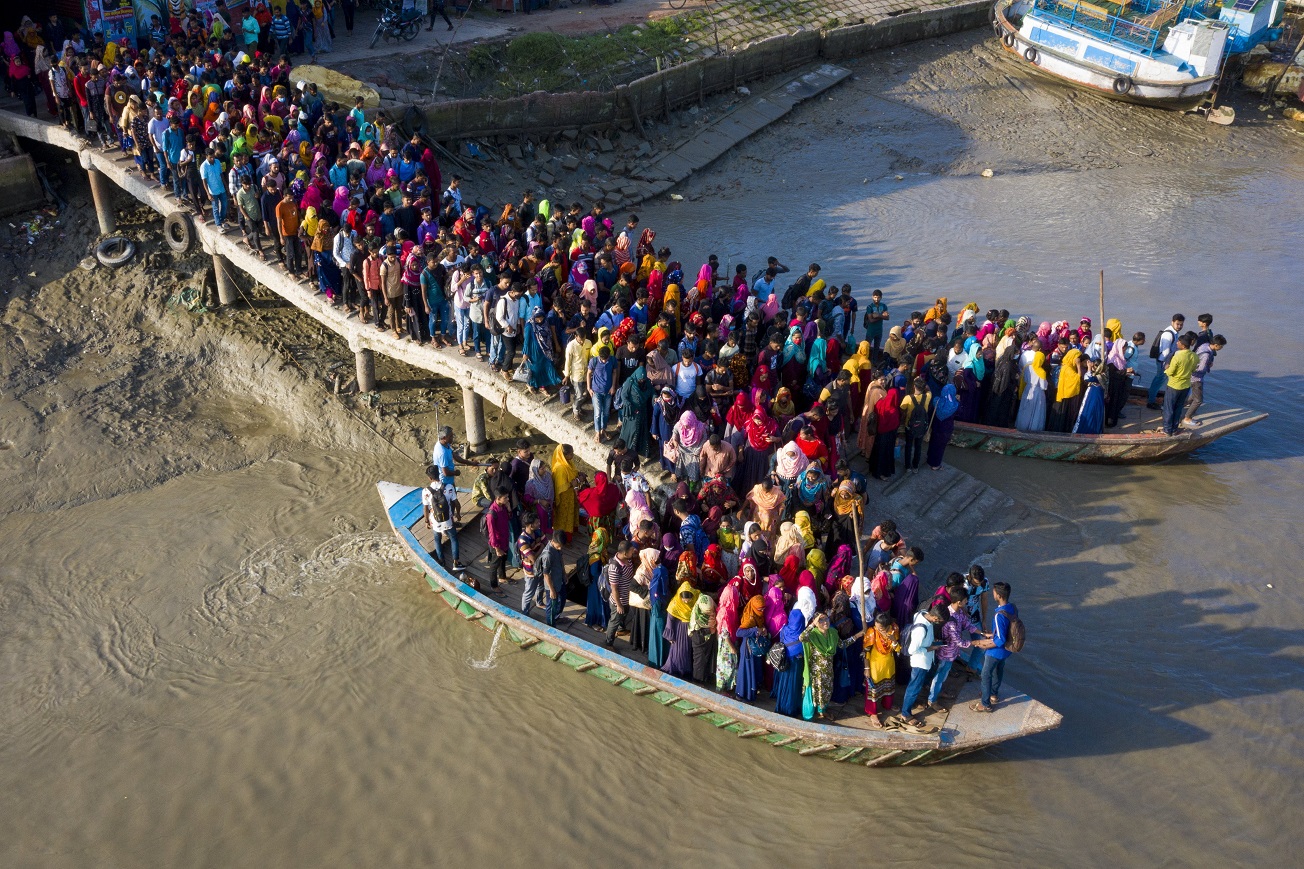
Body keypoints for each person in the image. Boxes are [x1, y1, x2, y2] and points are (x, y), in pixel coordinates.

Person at [970, 582, 1017, 713]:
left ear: (999, 595)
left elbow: (1000, 640)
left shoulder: (998, 615)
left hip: (996, 651)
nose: (993, 594)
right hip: (1007, 650)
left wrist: (983, 644)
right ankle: (994, 694)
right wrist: (992, 635)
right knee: (998, 670)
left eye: (994, 592)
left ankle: (985, 704)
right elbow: (1006, 631)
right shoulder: (1012, 608)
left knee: (986, 675)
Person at [899, 604, 947, 727]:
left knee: (917, 685)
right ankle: (905, 713)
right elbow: (911, 650)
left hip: (926, 660)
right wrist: (930, 648)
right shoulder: (921, 629)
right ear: (935, 618)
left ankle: (913, 703)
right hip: (919, 662)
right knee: (913, 688)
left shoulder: (922, 613)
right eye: (940, 621)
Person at [863, 612, 900, 727]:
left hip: (888, 665)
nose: (877, 628)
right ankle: (873, 713)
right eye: (876, 625)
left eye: (880, 627)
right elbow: (866, 652)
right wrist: (867, 668)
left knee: (888, 687)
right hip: (875, 667)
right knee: (873, 691)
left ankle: (887, 705)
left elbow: (898, 649)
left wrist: (893, 640)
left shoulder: (894, 629)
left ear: (886, 626)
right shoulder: (871, 632)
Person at [799, 611, 839, 720]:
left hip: (828, 671)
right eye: (821, 620)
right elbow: (801, 637)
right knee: (814, 693)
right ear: (816, 623)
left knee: (826, 692)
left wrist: (858, 635)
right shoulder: (813, 634)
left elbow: (842, 644)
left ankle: (822, 711)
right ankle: (809, 716)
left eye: (826, 619)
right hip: (815, 672)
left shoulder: (833, 633)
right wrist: (812, 624)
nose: (825, 622)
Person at [422, 465, 461, 572]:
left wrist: (426, 521)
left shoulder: (426, 491)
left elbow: (425, 508)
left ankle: (441, 562)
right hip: (448, 519)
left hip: (435, 521)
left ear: (429, 478)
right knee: (453, 538)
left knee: (437, 540)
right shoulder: (449, 487)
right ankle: (456, 563)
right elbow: (456, 503)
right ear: (439, 475)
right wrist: (457, 514)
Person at [1157, 333, 1197, 436]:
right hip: (1186, 385)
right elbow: (1193, 369)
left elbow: (1171, 372)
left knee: (1169, 408)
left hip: (1174, 385)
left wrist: (1166, 369)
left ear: (1183, 345)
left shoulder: (1177, 356)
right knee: (1178, 408)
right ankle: (1174, 429)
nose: (1177, 343)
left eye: (1178, 342)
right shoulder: (1194, 356)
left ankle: (1167, 430)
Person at [1183, 335, 1225, 428]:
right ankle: (1187, 418)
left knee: (1193, 396)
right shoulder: (1206, 355)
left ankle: (1181, 407)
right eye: (1221, 346)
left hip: (1190, 376)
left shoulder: (1204, 345)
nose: (1221, 348)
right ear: (1216, 345)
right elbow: (1201, 369)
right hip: (1196, 379)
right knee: (1198, 400)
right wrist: (1208, 366)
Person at [1147, 313, 1185, 409]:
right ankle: (1151, 401)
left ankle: (1152, 399)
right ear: (1172, 322)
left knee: (1159, 380)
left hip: (1165, 361)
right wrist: (1167, 364)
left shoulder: (1174, 332)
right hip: (1164, 362)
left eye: (1181, 324)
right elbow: (1166, 351)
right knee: (1158, 381)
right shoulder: (1168, 334)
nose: (1179, 326)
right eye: (1178, 324)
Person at [588, 344, 617, 443]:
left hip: (608, 391)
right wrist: (589, 388)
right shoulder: (594, 361)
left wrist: (613, 386)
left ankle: (603, 429)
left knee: (605, 413)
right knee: (597, 413)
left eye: (606, 359)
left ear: (609, 356)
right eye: (602, 359)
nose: (604, 361)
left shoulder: (613, 360)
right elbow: (588, 373)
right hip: (596, 391)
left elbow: (614, 372)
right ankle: (597, 432)